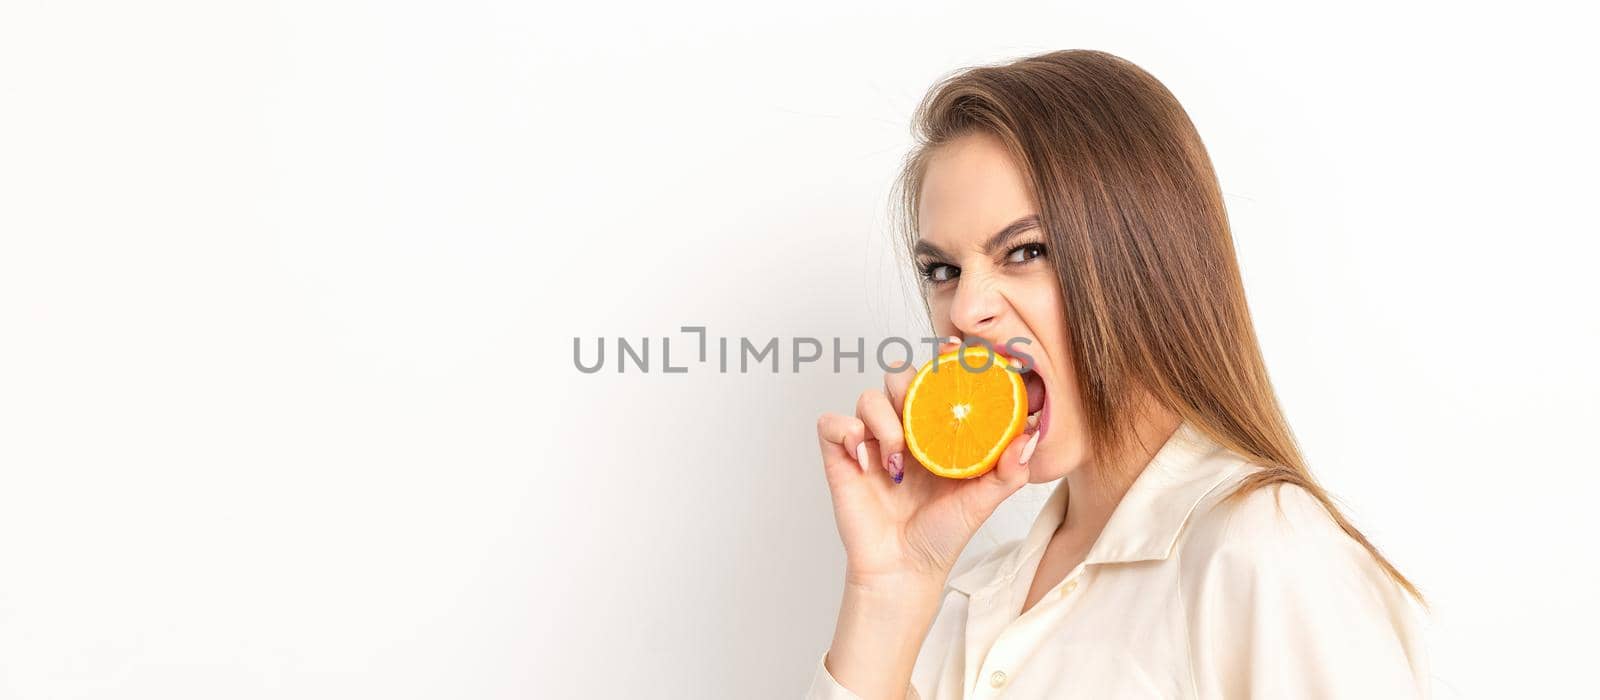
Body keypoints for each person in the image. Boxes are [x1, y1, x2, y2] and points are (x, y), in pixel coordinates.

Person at [807, 49, 1430, 699]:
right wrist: (890, 590)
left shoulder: (1263, 551)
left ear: (1145, 264)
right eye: (943, 270)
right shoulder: (973, 599)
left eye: (1026, 251)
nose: (964, 310)